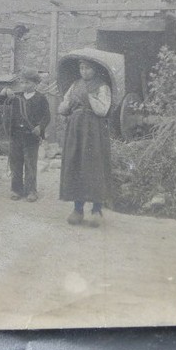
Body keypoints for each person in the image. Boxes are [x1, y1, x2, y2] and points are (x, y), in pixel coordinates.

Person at [58, 59, 113, 227]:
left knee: (94, 166)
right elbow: (62, 107)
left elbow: (103, 110)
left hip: (93, 129)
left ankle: (97, 210)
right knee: (75, 164)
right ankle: (78, 209)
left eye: (87, 68)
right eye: (81, 68)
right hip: (76, 129)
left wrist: (89, 97)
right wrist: (67, 105)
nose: (84, 71)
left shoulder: (102, 86)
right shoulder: (75, 85)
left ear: (94, 70)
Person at [0, 67, 51, 202]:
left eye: (28, 83)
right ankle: (16, 190)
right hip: (16, 135)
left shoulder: (41, 98)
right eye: (22, 82)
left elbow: (47, 116)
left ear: (35, 83)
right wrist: (4, 92)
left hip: (31, 137)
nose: (24, 85)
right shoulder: (16, 97)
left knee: (30, 164)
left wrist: (40, 127)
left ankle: (31, 191)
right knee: (15, 164)